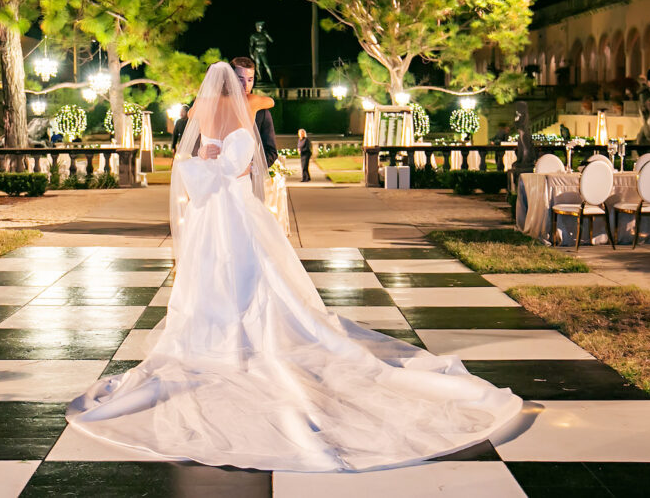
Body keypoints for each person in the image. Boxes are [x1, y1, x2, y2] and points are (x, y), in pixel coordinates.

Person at [66, 62, 522, 472]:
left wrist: (210, 161)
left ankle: (227, 337)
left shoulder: (208, 117)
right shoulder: (237, 117)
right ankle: (241, 335)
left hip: (214, 214)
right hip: (232, 211)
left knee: (229, 273)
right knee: (246, 272)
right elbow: (233, 164)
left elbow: (203, 160)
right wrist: (223, 164)